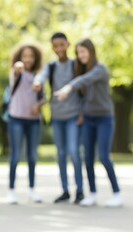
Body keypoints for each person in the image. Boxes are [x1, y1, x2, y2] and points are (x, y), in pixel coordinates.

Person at [54, 38, 123, 208]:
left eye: (83, 51)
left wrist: (68, 88)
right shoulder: (81, 71)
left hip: (104, 118)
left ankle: (117, 193)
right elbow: (84, 96)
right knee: (88, 157)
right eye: (78, 53)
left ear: (91, 52)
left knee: (104, 156)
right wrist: (81, 113)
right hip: (88, 119)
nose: (80, 55)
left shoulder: (100, 70)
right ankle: (92, 193)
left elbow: (84, 81)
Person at [32, 32, 84, 204]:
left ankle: (80, 190)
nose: (59, 48)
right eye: (56, 46)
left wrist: (82, 113)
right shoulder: (51, 66)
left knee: (74, 152)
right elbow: (41, 75)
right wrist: (38, 82)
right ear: (53, 48)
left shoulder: (75, 65)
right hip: (57, 116)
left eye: (62, 44)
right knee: (61, 154)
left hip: (73, 116)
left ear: (68, 44)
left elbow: (83, 89)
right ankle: (65, 191)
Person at [6, 42, 45, 204]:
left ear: (35, 58)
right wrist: (18, 65)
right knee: (15, 155)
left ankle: (31, 189)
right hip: (16, 118)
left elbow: (44, 97)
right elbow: (17, 68)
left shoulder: (38, 76)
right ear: (20, 57)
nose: (28, 59)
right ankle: (12, 191)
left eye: (31, 56)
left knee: (32, 156)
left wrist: (38, 105)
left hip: (34, 121)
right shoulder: (16, 73)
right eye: (25, 56)